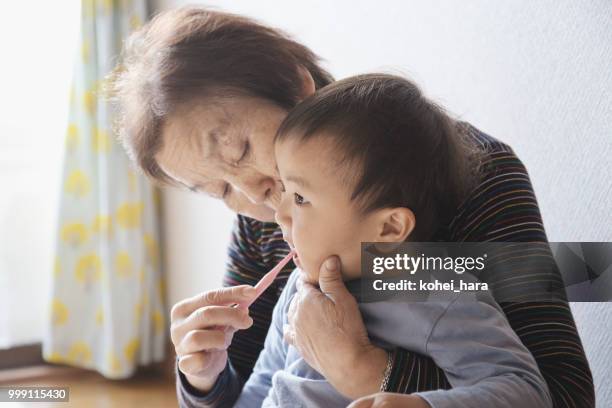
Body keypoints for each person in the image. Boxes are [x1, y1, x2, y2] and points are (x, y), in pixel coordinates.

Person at [109, 6, 594, 408]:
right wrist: (202, 379)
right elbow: (257, 389)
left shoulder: (472, 175)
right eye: (219, 190)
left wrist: (363, 369)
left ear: (299, 87)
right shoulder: (267, 224)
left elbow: (564, 393)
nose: (258, 196)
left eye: (238, 151)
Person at [233, 73, 553, 408]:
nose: (280, 214)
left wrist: (424, 405)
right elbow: (261, 386)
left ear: (388, 228)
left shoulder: (435, 293)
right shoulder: (298, 288)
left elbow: (527, 392)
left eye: (300, 198)